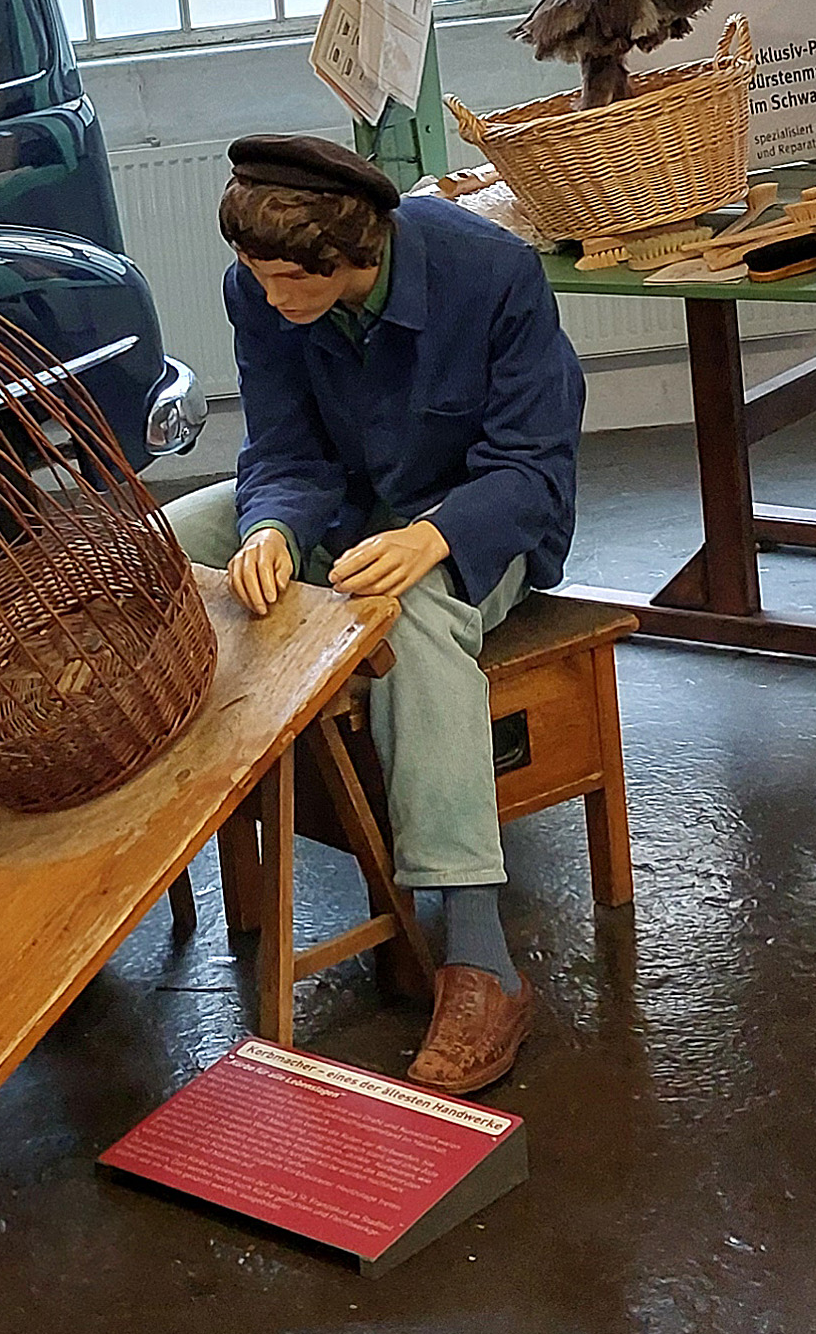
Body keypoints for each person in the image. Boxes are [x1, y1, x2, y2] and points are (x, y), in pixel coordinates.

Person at [164, 134, 585, 1092]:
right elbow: (281, 445)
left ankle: (479, 957)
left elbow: (535, 462)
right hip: (342, 503)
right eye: (253, 273)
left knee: (414, 619)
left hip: (480, 520)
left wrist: (434, 536)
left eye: (286, 279)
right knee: (155, 549)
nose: (269, 298)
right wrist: (269, 525)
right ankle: (120, 820)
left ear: (358, 253)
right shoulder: (261, 291)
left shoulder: (493, 273)